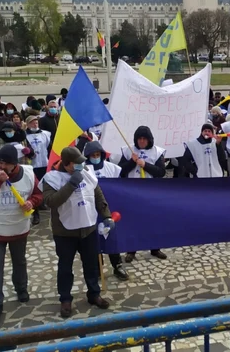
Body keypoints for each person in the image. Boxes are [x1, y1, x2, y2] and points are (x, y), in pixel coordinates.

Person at [0, 144, 43, 321]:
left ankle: (22, 289)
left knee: (19, 261)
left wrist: (32, 203)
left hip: (18, 227)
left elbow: (38, 194)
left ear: (15, 164)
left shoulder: (27, 173)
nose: (1, 166)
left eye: (6, 164)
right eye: (0, 162)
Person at [42, 147, 113, 316]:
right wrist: (71, 183)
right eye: (77, 163)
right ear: (67, 165)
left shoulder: (87, 172)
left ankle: (94, 294)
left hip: (88, 228)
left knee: (91, 264)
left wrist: (106, 216)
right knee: (65, 267)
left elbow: (97, 195)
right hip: (65, 233)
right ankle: (65, 299)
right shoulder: (51, 179)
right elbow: (51, 201)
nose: (82, 165)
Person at [118, 126, 168, 262]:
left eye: (144, 139)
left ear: (149, 140)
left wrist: (145, 164)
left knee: (152, 220)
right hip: (132, 191)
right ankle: (131, 250)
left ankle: (155, 248)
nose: (141, 141)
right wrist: (131, 162)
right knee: (132, 221)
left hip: (150, 192)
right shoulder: (128, 151)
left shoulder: (157, 152)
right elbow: (120, 171)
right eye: (139, 139)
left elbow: (161, 172)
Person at [83, 141, 130, 281]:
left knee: (111, 237)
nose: (96, 157)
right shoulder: (84, 170)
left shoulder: (113, 168)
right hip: (91, 209)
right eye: (93, 155)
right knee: (94, 239)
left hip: (109, 209)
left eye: (98, 154)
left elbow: (120, 187)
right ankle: (97, 268)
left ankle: (117, 265)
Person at [25, 115, 52, 225]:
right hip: (32, 165)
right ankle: (35, 213)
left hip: (44, 163)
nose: (35, 124)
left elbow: (49, 147)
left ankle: (42, 202)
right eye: (32, 122)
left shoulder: (46, 134)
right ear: (28, 124)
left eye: (36, 122)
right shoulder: (25, 135)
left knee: (43, 184)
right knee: (33, 187)